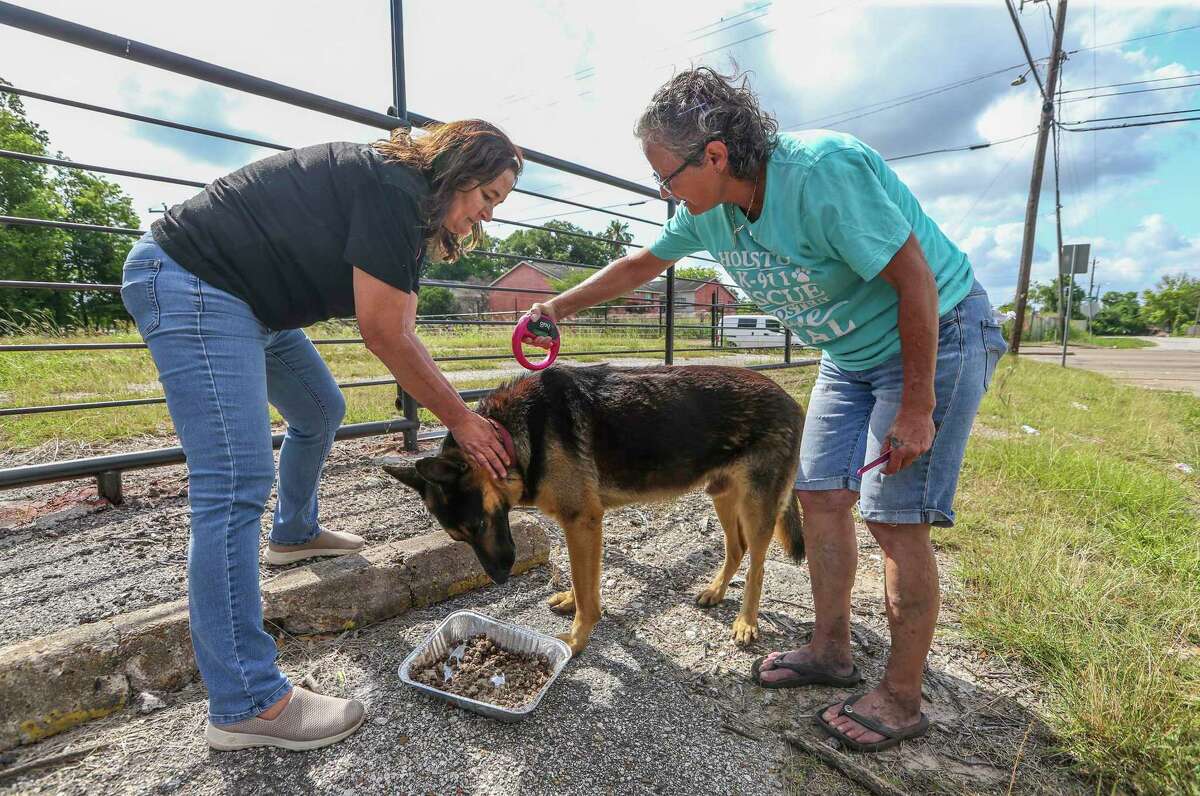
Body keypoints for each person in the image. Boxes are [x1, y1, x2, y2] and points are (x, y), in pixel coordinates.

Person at [526, 68, 1006, 752]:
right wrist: (555, 306)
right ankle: (832, 652)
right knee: (818, 496)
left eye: (667, 176)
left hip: (938, 331)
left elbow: (915, 279)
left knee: (895, 519)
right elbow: (639, 265)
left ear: (715, 156)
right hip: (848, 351)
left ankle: (901, 697)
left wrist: (919, 405)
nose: (665, 193)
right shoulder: (707, 212)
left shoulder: (822, 173)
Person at [120, 120, 521, 751]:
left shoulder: (409, 206)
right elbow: (387, 334)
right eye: (487, 199)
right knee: (233, 486)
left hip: (256, 303)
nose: (484, 218)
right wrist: (463, 421)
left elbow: (401, 322)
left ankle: (296, 532)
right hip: (196, 282)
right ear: (460, 168)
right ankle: (247, 701)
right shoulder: (395, 189)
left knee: (319, 408)